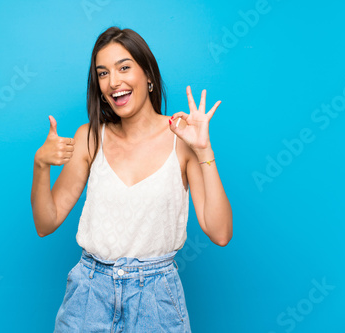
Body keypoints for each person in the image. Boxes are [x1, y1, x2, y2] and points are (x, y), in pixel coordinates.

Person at [31, 26, 232, 332]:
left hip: (156, 300)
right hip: (88, 296)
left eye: (124, 67)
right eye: (103, 73)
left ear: (148, 76)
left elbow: (220, 234)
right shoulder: (89, 138)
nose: (114, 82)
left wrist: (204, 149)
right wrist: (41, 165)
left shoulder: (184, 140)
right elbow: (46, 223)